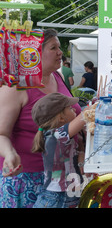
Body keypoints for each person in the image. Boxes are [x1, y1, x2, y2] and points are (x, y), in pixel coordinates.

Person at [0, 29, 82, 208]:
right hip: (27, 178)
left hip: (64, 176)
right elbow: (1, 133)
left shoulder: (58, 76)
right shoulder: (15, 86)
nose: (60, 53)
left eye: (59, 47)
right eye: (53, 48)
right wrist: (9, 153)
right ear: (33, 54)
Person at [31, 93, 86, 208]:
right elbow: (85, 116)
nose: (74, 111)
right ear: (61, 118)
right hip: (57, 197)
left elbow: (74, 158)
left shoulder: (61, 137)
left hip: (69, 193)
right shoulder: (56, 135)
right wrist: (97, 106)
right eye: (70, 109)